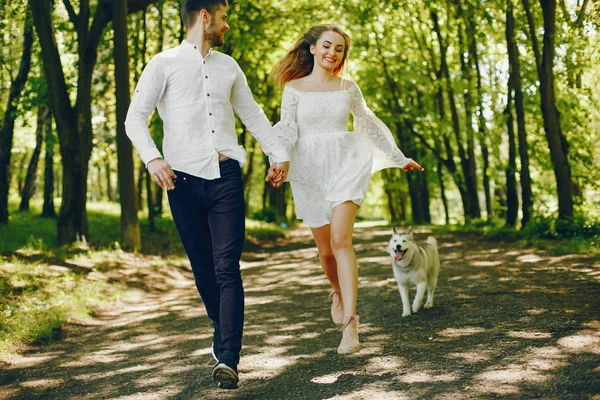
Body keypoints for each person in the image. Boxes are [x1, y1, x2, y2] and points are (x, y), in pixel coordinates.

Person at [125, 0, 289, 389]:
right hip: (180, 180)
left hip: (226, 174)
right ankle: (220, 323)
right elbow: (135, 118)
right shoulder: (162, 64)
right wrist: (153, 159)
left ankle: (229, 356)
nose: (226, 25)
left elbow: (252, 115)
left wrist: (278, 154)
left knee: (226, 267)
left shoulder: (228, 67)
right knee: (202, 268)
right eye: (223, 17)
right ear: (204, 16)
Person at [269, 24, 423, 355]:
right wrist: (279, 161)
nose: (332, 53)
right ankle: (336, 292)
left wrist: (398, 157)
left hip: (345, 165)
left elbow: (367, 123)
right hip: (309, 171)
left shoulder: (348, 87)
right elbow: (286, 130)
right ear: (312, 48)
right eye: (327, 46)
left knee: (341, 242)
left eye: (339, 49)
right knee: (326, 252)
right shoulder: (293, 89)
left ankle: (350, 325)